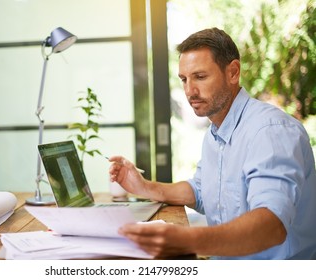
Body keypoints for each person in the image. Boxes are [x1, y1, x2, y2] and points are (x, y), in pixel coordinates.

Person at [109, 27, 316, 260]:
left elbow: (271, 225)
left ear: (233, 72)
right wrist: (144, 187)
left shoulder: (270, 131)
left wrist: (186, 241)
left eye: (200, 77)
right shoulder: (215, 134)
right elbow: (200, 191)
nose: (190, 91)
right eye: (184, 80)